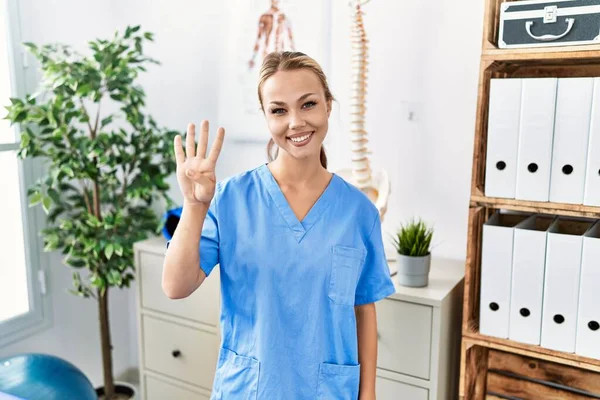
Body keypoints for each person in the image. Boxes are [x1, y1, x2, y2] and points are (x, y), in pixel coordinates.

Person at [162, 51, 395, 400]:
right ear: (267, 118)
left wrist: (369, 394)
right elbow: (175, 286)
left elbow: (364, 308)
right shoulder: (230, 199)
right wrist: (195, 206)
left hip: (328, 392)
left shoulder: (359, 212)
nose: (296, 122)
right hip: (251, 390)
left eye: (308, 104)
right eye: (279, 110)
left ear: (328, 106)